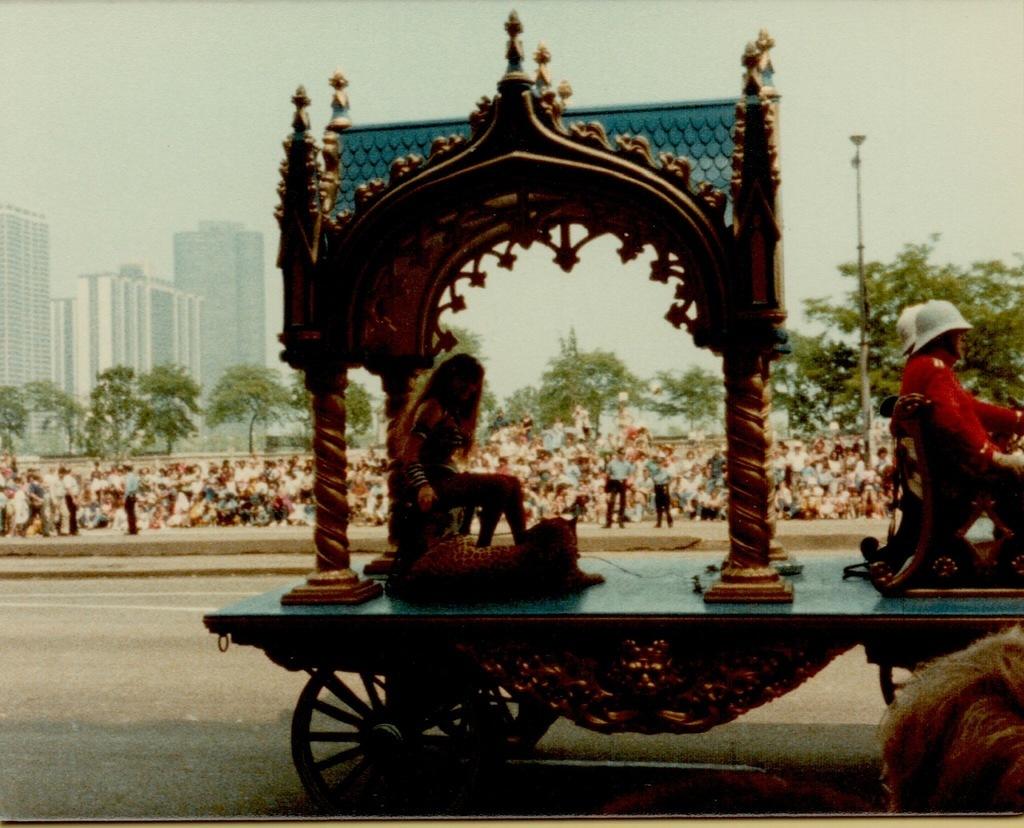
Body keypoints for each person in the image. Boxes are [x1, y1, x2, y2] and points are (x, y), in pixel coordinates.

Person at [394, 354, 527, 551]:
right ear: (449, 379)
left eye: (474, 383)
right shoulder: (433, 407)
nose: (471, 387)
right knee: (500, 485)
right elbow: (409, 453)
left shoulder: (450, 411)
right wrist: (423, 486)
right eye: (465, 380)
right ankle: (484, 548)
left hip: (445, 478)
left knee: (513, 483)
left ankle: (522, 546)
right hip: (432, 481)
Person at [899, 299, 1024, 481]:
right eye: (959, 335)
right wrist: (992, 455)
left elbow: (971, 409)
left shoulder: (921, 368)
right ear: (942, 338)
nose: (963, 340)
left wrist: (1018, 420)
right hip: (962, 478)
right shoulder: (934, 368)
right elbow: (950, 420)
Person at [603, 447, 633, 528]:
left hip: (623, 482)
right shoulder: (612, 463)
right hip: (614, 482)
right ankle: (608, 522)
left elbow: (631, 474)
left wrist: (629, 482)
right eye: (621, 454)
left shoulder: (627, 464)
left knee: (622, 502)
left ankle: (620, 521)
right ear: (618, 454)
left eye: (623, 454)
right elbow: (607, 475)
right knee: (611, 502)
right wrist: (607, 487)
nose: (622, 456)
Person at [123, 463, 140, 535]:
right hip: (133, 495)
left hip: (129, 496)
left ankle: (132, 529)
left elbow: (127, 488)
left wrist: (125, 497)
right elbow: (136, 487)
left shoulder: (128, 477)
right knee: (132, 513)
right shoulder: (135, 476)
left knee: (130, 513)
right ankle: (133, 528)